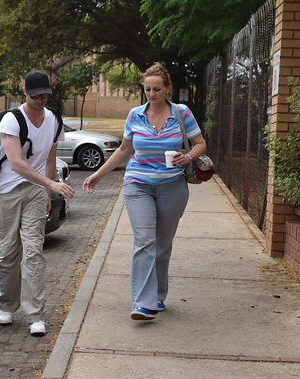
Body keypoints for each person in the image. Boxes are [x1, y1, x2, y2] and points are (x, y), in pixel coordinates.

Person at [82, 62, 207, 320]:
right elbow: (124, 150)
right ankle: (143, 303)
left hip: (172, 187)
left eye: (157, 89)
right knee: (145, 241)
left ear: (167, 89)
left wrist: (189, 157)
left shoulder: (181, 113)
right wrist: (97, 174)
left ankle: (158, 295)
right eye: (148, 89)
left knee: (162, 245)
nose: (151, 93)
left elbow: (200, 143)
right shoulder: (135, 115)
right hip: (137, 185)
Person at [0, 70, 75, 336]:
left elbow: (50, 159)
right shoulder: (10, 120)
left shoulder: (53, 120)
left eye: (45, 95)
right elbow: (16, 163)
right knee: (7, 253)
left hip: (37, 193)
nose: (41, 100)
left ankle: (35, 314)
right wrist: (50, 184)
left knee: (34, 252)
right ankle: (6, 304)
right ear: (25, 93)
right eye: (36, 95)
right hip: (7, 192)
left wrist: (47, 192)